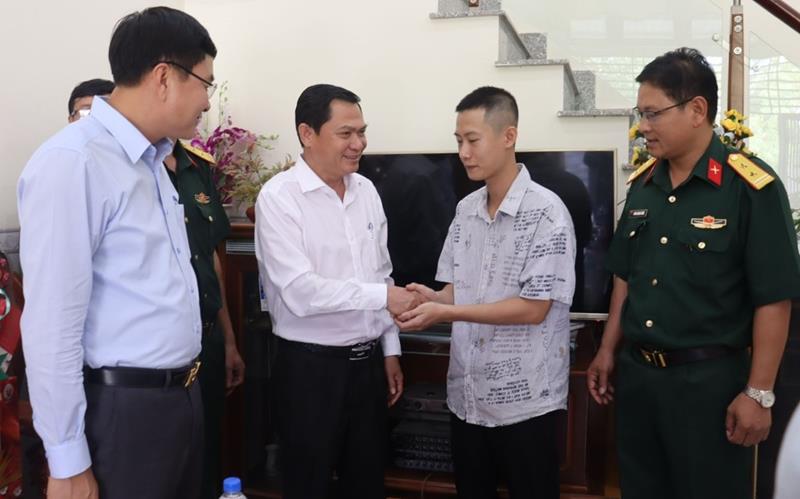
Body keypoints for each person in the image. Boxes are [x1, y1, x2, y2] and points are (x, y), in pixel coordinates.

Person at [17, 7, 217, 498]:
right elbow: (52, 325)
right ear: (164, 77)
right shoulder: (74, 162)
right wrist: (66, 460)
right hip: (123, 411)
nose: (207, 101)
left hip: (181, 398)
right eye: (205, 83)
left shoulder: (153, 159)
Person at [586, 47, 800, 499]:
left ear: (697, 110)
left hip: (709, 388)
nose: (643, 127)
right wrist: (607, 350)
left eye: (653, 114)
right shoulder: (644, 185)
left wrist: (759, 393)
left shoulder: (750, 188)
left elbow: (774, 298)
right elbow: (625, 276)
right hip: (639, 381)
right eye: (640, 114)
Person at [396, 86, 577, 499]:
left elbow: (533, 308)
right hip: (467, 395)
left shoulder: (547, 212)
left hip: (525, 402)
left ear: (508, 136)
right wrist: (432, 299)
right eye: (459, 141)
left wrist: (447, 313)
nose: (464, 153)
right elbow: (458, 291)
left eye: (473, 140)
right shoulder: (466, 210)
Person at [254, 83, 416, 499]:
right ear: (307, 134)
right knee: (307, 485)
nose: (358, 143)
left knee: (367, 483)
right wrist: (383, 298)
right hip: (310, 371)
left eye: (362, 132)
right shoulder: (279, 198)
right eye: (346, 133)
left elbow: (382, 273)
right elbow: (300, 292)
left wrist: (390, 349)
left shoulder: (367, 191)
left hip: (368, 367)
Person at [163, 139, 245, 499]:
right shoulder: (132, 168)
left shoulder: (197, 168)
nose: (204, 110)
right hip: (162, 352)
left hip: (207, 341)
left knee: (208, 459)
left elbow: (211, 257)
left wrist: (229, 341)